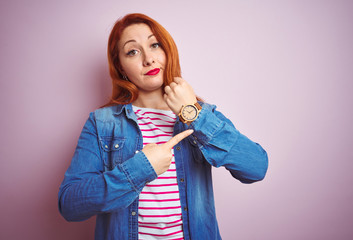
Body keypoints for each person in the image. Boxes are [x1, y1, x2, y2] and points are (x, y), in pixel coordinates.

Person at [58, 13, 268, 240]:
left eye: (154, 45)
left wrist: (192, 114)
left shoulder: (200, 114)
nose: (148, 59)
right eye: (133, 51)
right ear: (120, 66)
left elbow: (256, 167)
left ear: (167, 51)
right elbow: (70, 205)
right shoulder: (103, 123)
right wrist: (141, 168)